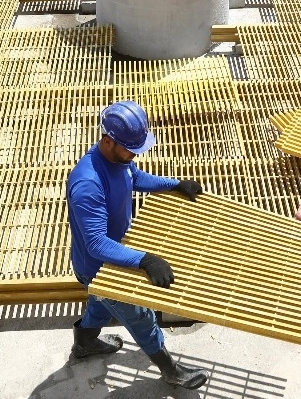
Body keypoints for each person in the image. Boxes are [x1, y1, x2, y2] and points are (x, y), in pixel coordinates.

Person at [66, 100, 209, 389]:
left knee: (100, 305)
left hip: (109, 258)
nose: (135, 155)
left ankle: (83, 346)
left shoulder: (119, 160)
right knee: (142, 319)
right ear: (108, 141)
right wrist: (145, 260)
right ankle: (171, 371)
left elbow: (134, 177)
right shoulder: (88, 184)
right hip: (101, 267)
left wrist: (174, 184)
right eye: (131, 149)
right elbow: (95, 243)